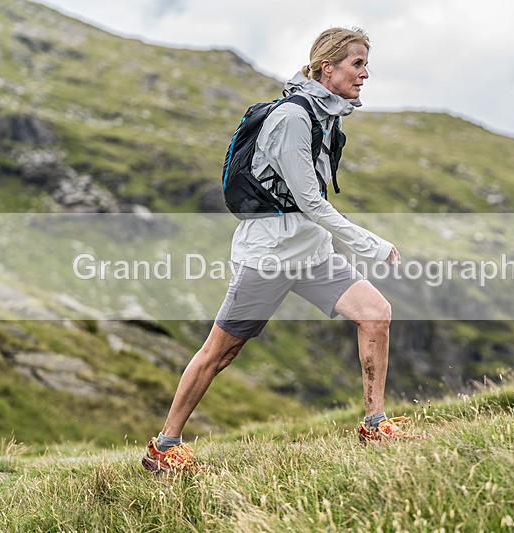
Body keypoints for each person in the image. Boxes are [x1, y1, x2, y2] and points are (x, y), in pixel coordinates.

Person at [142, 27, 420, 474]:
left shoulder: (327, 114)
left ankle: (374, 425)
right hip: (269, 256)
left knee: (375, 314)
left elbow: (309, 207)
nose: (365, 74)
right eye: (357, 64)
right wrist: (372, 244)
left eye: (366, 64)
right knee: (220, 352)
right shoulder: (293, 118)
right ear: (327, 67)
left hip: (311, 253)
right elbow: (310, 200)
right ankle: (164, 447)